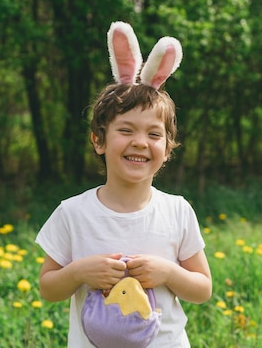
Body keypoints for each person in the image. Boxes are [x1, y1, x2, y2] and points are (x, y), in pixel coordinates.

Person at [35, 22, 212, 347]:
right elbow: (48, 289)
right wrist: (78, 273)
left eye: (154, 134)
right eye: (126, 130)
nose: (141, 142)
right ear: (98, 140)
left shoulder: (177, 211)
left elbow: (202, 288)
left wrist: (169, 274)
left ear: (168, 148)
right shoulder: (73, 213)